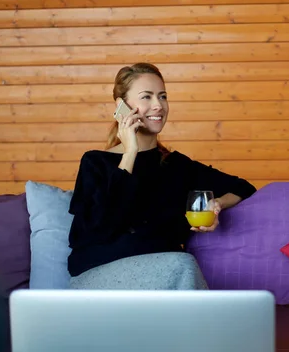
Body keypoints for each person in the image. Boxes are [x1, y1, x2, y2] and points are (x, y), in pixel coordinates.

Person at [67, 63, 256, 290]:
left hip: (166, 279)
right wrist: (130, 153)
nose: (158, 105)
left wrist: (216, 204)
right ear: (122, 106)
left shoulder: (178, 166)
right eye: (146, 97)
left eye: (162, 96)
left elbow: (243, 187)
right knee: (183, 265)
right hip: (100, 275)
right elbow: (99, 229)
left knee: (180, 267)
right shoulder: (95, 162)